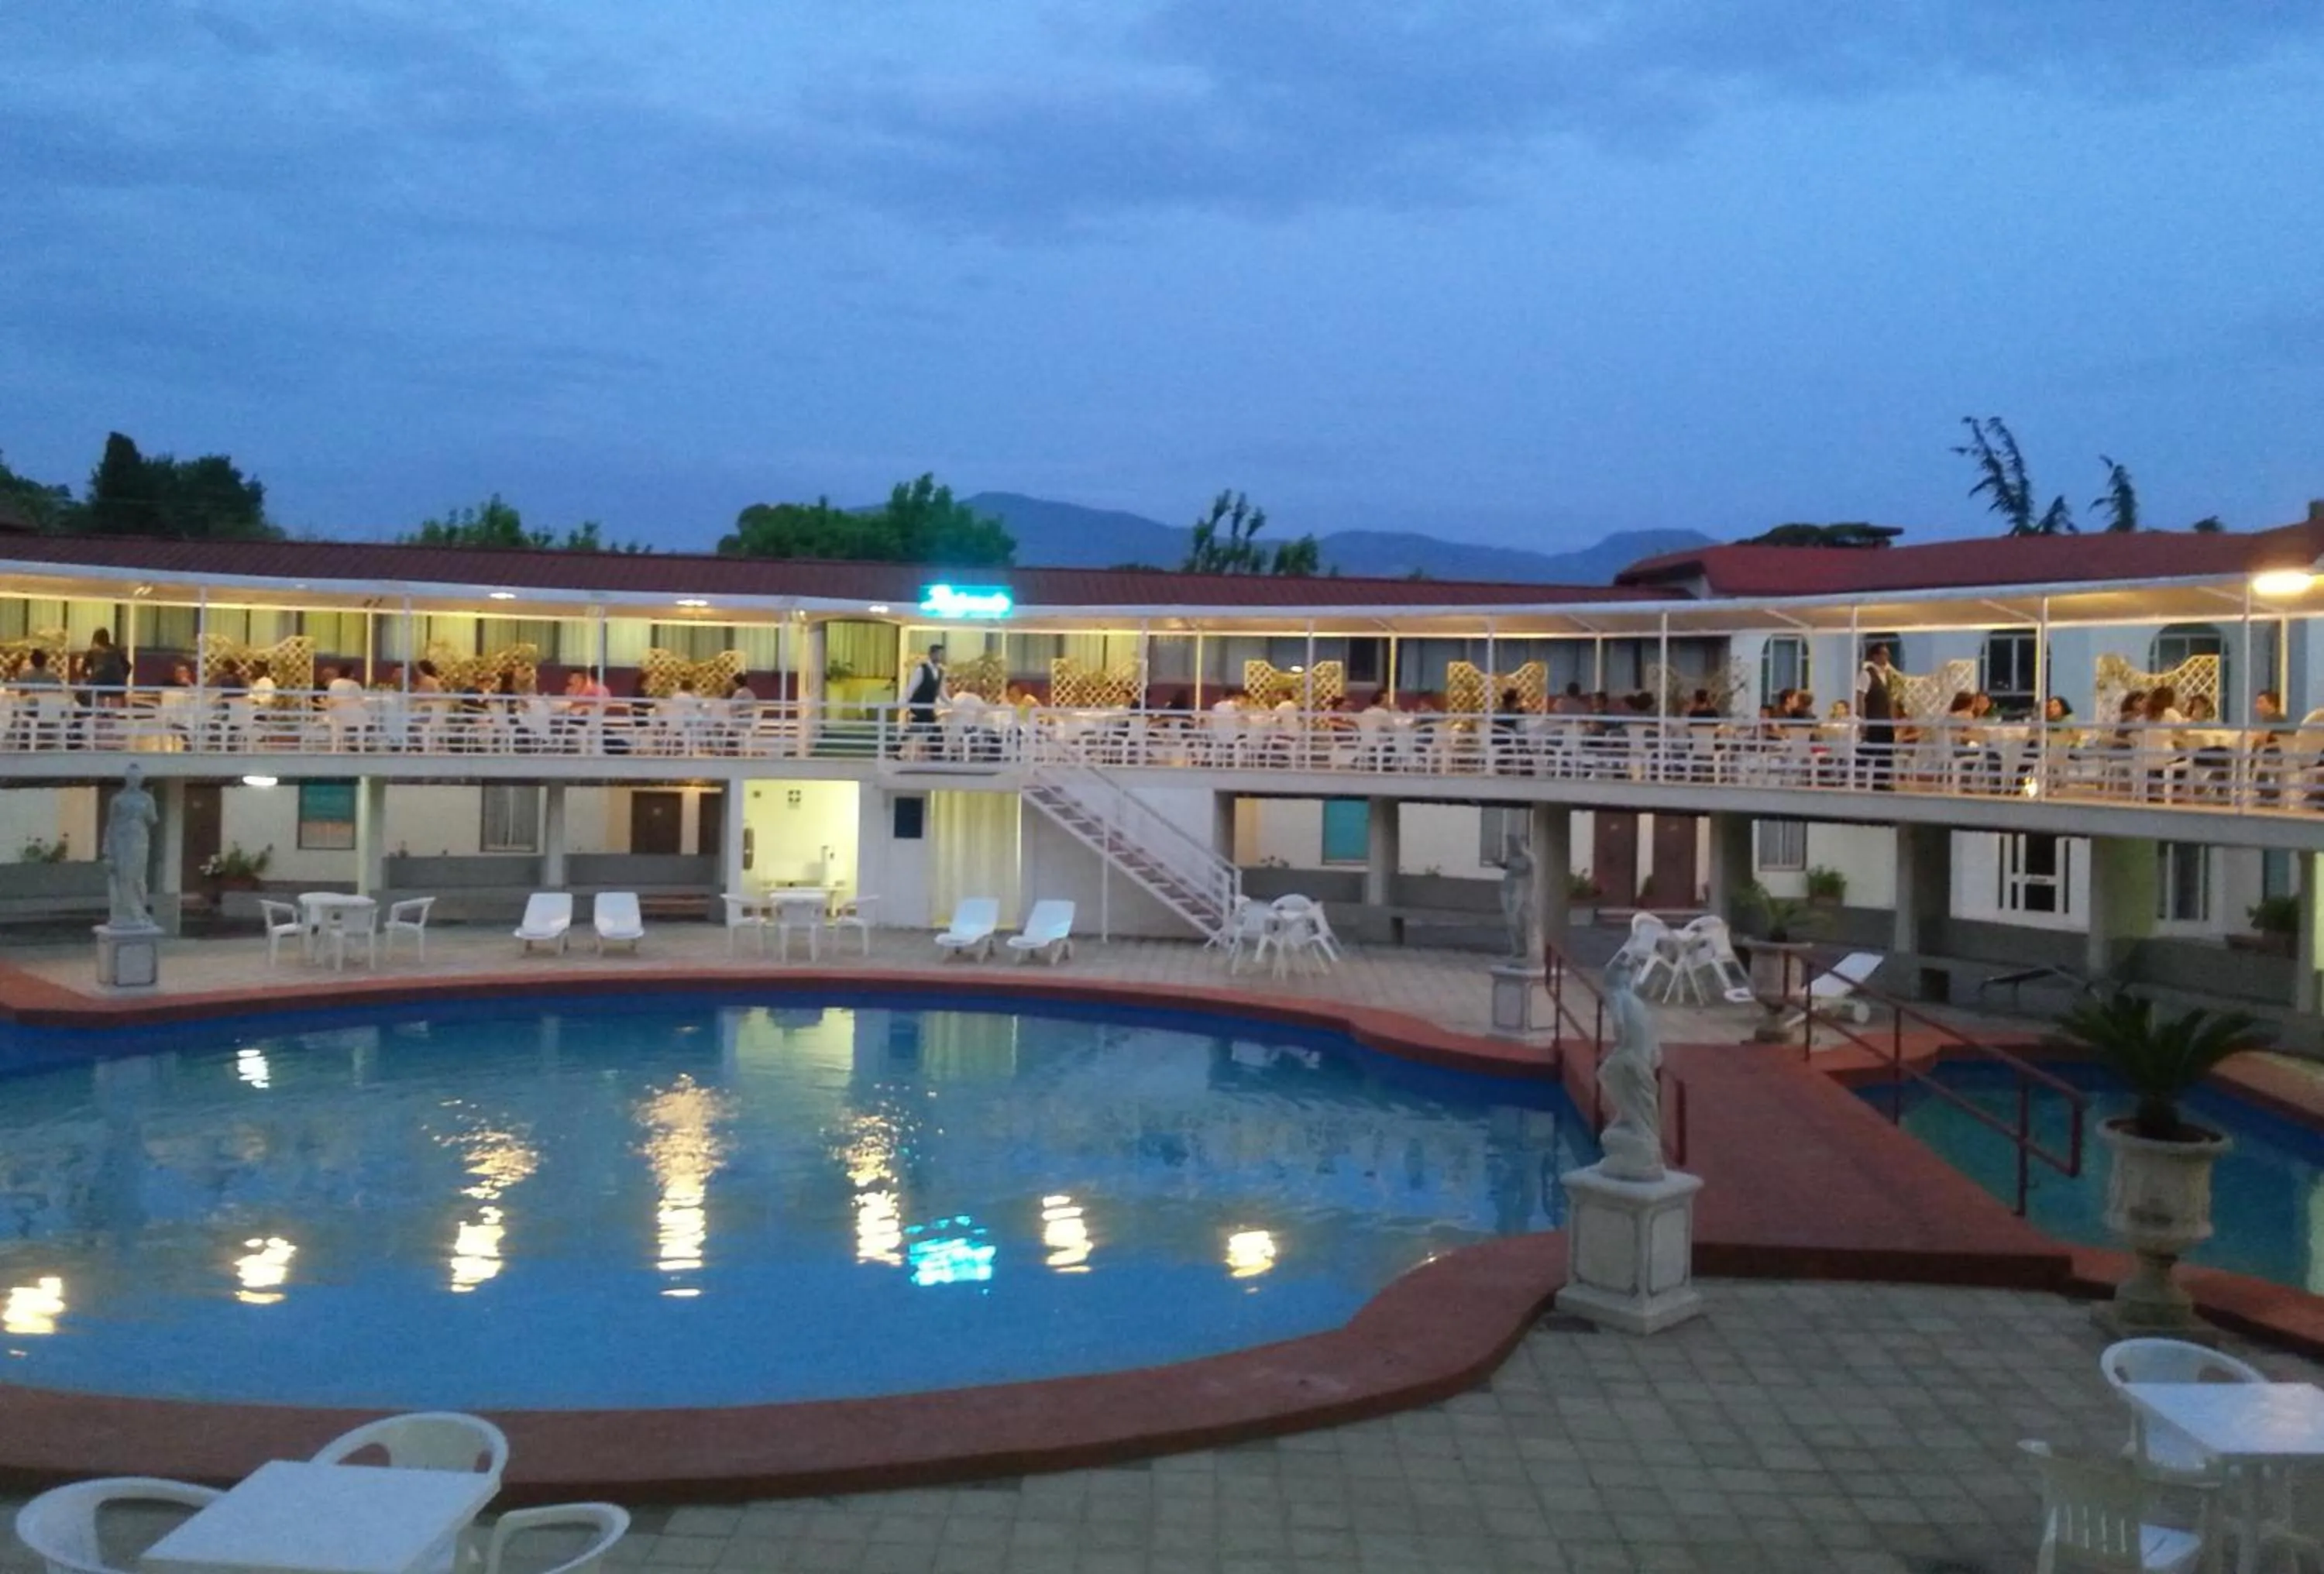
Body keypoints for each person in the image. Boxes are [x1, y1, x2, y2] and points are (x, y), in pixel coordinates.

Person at [103, 764, 159, 928]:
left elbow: (153, 819)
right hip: (122, 842)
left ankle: (139, 910)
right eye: (132, 778)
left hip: (140, 841)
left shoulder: (147, 799)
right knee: (124, 877)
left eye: (138, 778)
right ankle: (128, 912)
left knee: (138, 878)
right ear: (127, 779)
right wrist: (108, 852)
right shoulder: (118, 799)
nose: (135, 781)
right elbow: (111, 825)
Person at [1857, 642, 1898, 791]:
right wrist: (1863, 719)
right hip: (1874, 719)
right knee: (1876, 750)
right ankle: (1874, 781)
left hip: (1885, 720)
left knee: (1887, 751)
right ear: (1875, 656)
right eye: (1884, 654)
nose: (1887, 657)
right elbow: (1860, 696)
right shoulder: (1867, 673)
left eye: (1887, 654)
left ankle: (1882, 780)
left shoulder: (1887, 674)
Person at [902, 644, 946, 756]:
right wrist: (903, 703)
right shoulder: (922, 669)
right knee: (922, 728)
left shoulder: (940, 672)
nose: (940, 657)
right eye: (938, 654)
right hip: (918, 705)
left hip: (929, 706)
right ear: (931, 654)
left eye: (941, 654)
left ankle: (935, 754)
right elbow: (911, 687)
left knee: (927, 729)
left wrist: (952, 703)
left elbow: (941, 692)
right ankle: (935, 754)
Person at [83, 627, 128, 706]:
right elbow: (128, 666)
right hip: (117, 682)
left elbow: (83, 669)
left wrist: (87, 677)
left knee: (97, 710)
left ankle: (98, 715)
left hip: (98, 682)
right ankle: (112, 716)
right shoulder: (116, 650)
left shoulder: (92, 651)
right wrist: (122, 677)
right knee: (114, 712)